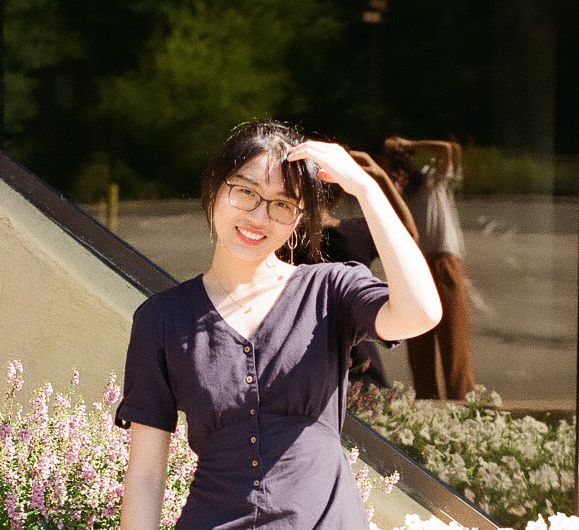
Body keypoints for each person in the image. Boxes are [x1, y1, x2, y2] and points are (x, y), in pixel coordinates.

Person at [115, 119, 442, 530]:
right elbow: (146, 477)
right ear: (215, 189)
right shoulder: (161, 319)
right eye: (245, 191)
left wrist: (366, 189)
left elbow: (422, 313)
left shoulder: (330, 290)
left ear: (299, 220)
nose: (258, 216)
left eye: (282, 204)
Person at [293, 150, 419, 388]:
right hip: (357, 351)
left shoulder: (286, 238)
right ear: (340, 191)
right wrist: (378, 179)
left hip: (298, 347)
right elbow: (408, 236)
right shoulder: (356, 234)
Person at [383, 136, 475, 400]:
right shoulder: (395, 196)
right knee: (418, 340)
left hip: (443, 259)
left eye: (399, 171)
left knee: (454, 339)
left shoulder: (433, 180)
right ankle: (428, 403)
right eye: (392, 173)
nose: (397, 177)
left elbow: (447, 149)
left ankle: (463, 402)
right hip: (415, 265)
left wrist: (409, 144)